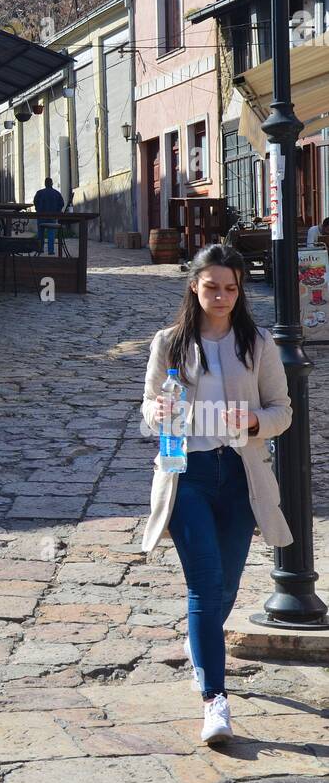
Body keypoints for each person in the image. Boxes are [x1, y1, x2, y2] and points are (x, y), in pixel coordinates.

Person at [141, 244, 293, 746]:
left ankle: (199, 643)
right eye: (212, 287)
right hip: (189, 474)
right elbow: (149, 407)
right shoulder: (170, 343)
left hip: (241, 474)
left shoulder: (258, 344)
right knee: (206, 585)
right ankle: (215, 700)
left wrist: (253, 420)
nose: (222, 296)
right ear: (194, 286)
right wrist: (157, 414)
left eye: (230, 288)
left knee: (225, 586)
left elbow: (281, 411)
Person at [33, 177, 64, 255]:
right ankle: (51, 251)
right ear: (52, 183)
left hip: (41, 216)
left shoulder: (39, 193)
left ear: (45, 184)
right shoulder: (57, 193)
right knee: (51, 234)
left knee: (40, 234)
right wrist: (57, 211)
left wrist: (38, 210)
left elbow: (35, 202)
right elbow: (61, 204)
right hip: (52, 217)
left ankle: (40, 248)